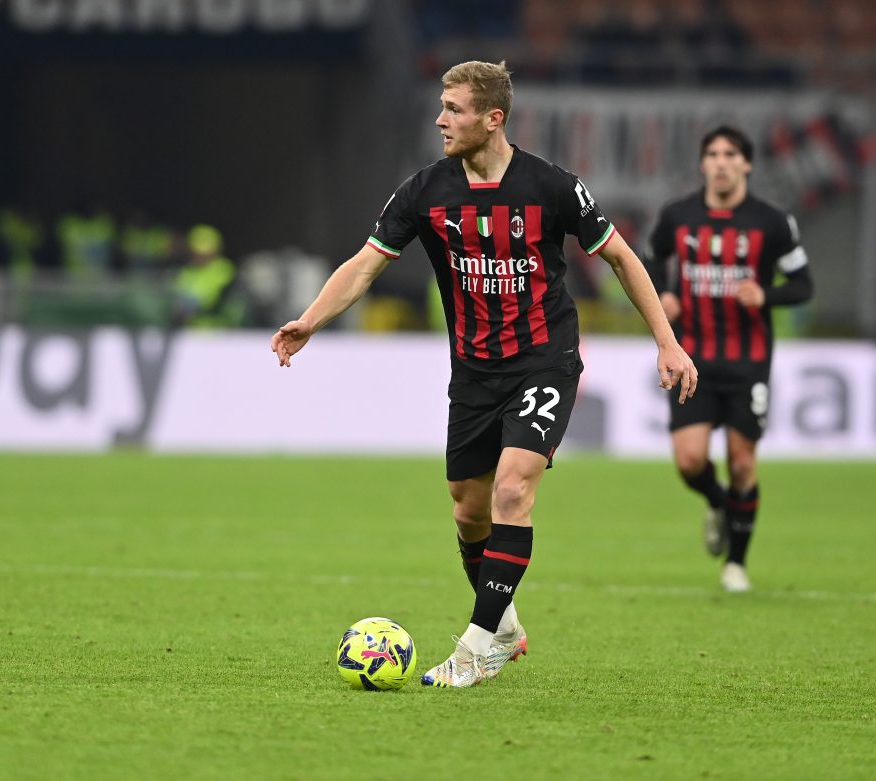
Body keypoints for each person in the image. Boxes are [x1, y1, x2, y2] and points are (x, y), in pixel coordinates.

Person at [271, 60, 697, 689]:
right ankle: (507, 629)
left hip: (545, 358)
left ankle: (476, 643)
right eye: (441, 106)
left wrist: (667, 341)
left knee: (512, 490)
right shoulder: (425, 191)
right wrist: (309, 321)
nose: (440, 119)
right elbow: (365, 264)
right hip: (473, 372)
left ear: (493, 118)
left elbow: (620, 257)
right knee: (469, 512)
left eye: (455, 109)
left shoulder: (552, 186)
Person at [644, 125, 813, 593]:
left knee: (742, 463)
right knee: (689, 460)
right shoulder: (677, 216)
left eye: (730, 154)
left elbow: (803, 285)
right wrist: (664, 295)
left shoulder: (771, 222)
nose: (721, 161)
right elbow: (649, 260)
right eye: (713, 154)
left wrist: (767, 294)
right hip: (692, 358)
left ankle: (735, 564)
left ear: (747, 164)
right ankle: (718, 504)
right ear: (703, 164)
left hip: (748, 362)